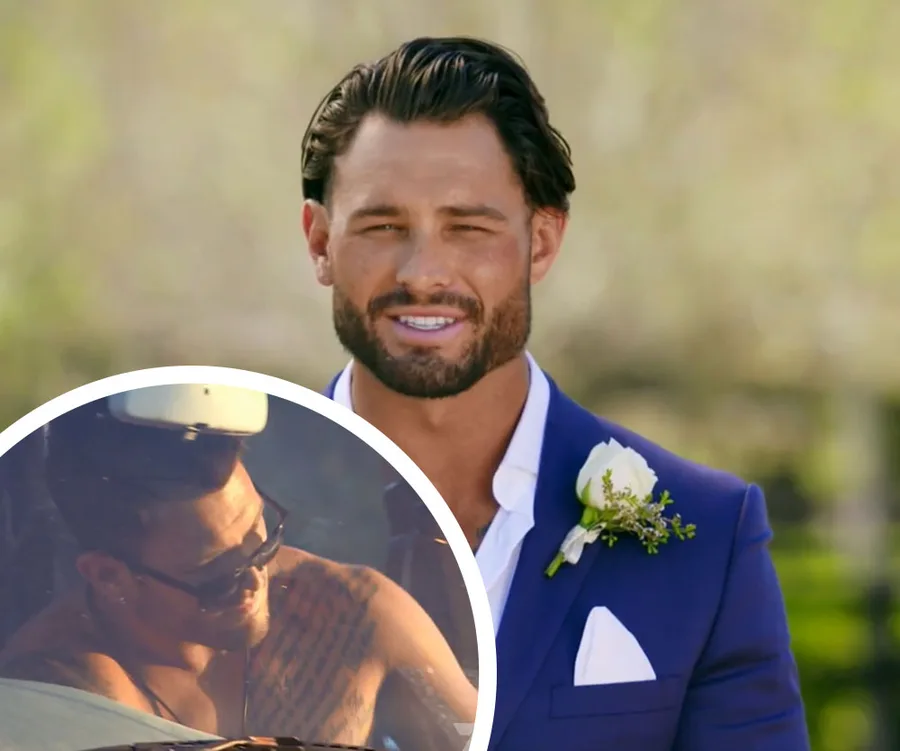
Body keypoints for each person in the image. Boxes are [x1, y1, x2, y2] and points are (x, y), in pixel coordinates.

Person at [300, 36, 810, 751]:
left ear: (541, 242)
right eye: (383, 226)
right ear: (319, 240)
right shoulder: (217, 521)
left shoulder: (709, 539)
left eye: (468, 227)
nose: (424, 271)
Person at [0, 399, 476, 751]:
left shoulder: (355, 610)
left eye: (261, 538)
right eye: (216, 577)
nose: (255, 580)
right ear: (108, 576)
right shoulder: (55, 692)